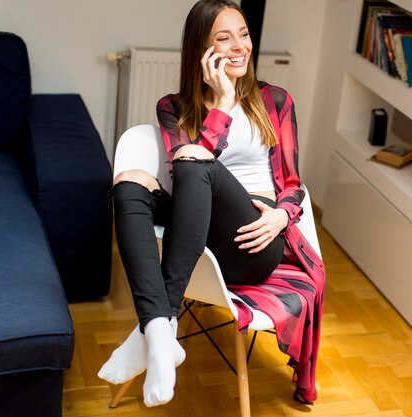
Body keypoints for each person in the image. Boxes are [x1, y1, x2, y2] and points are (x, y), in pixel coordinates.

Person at [98, 0, 325, 407]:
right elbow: (188, 170)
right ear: (201, 51)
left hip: (252, 239)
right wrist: (220, 105)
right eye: (224, 37)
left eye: (244, 34)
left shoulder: (275, 100)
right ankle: (160, 332)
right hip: (197, 228)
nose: (239, 46)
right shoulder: (174, 107)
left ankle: (152, 332)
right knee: (128, 183)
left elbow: (292, 182)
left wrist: (280, 216)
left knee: (195, 161)